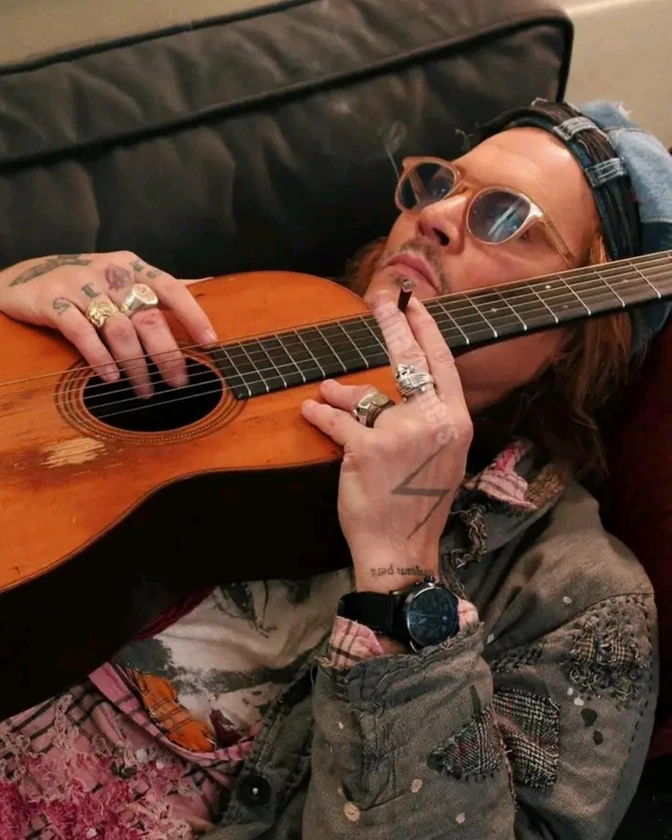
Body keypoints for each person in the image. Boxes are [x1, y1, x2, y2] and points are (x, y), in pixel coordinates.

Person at [0, 99, 669, 840]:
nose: (434, 215)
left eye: (506, 217)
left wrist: (402, 574)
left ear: (576, 329)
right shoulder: (244, 317)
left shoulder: (583, 599)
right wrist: (22, 297)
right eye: (440, 183)